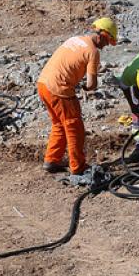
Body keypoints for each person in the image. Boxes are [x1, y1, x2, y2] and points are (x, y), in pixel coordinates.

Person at [37, 17, 118, 175]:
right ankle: (78, 167)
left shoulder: (75, 39)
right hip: (59, 89)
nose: (106, 45)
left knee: (59, 124)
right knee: (75, 127)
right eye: (108, 41)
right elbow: (91, 84)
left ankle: (51, 160)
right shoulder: (92, 52)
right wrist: (86, 87)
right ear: (102, 34)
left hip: (43, 84)